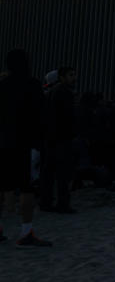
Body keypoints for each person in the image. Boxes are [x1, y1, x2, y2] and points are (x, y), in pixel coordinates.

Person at [0, 49, 52, 247]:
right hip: (25, 143)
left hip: (3, 142)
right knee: (26, 188)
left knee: (2, 186)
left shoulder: (2, 85)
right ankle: (25, 231)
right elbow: (42, 115)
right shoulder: (32, 85)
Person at [39, 66, 78, 213]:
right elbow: (68, 118)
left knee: (48, 172)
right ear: (62, 77)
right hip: (61, 139)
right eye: (71, 75)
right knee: (62, 173)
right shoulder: (65, 93)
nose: (74, 78)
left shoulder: (51, 92)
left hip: (51, 138)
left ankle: (46, 202)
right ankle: (62, 204)